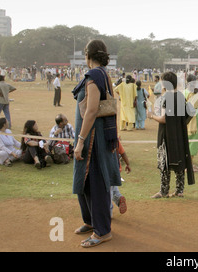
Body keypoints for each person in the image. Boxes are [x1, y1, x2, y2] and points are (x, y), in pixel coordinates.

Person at [72, 40, 121, 248]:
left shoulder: (94, 76)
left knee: (96, 182)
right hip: (95, 136)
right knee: (87, 182)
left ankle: (102, 231)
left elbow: (91, 110)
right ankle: (91, 221)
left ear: (87, 55)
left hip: (93, 139)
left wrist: (81, 141)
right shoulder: (102, 74)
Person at [147, 71, 195, 198]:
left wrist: (152, 116)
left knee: (164, 161)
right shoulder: (180, 96)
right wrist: (180, 124)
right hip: (179, 135)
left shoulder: (166, 98)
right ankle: (179, 190)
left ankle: (164, 191)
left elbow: (163, 119)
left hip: (166, 134)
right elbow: (190, 112)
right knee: (179, 160)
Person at [185, 74, 198, 172]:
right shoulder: (190, 92)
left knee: (191, 141)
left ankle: (190, 163)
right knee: (192, 142)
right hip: (192, 119)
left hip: (190, 118)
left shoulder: (186, 92)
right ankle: (188, 165)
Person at [110, 138, 131, 218]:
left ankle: (108, 212)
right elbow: (123, 153)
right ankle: (119, 198)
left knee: (108, 192)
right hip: (116, 170)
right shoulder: (115, 141)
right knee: (113, 188)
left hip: (108, 171)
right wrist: (128, 164)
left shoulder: (102, 140)